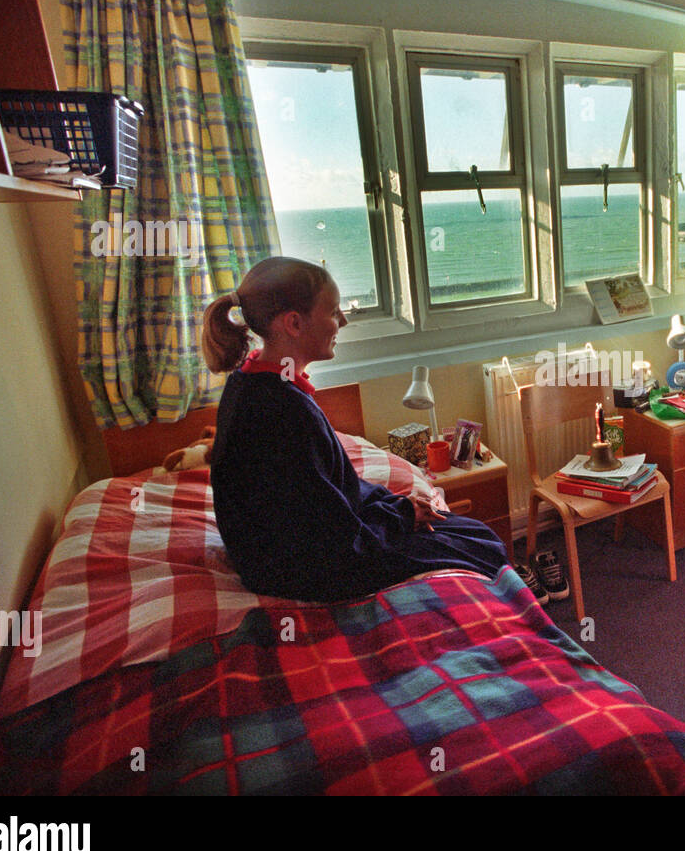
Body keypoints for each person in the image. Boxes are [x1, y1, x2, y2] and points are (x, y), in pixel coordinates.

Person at [201, 256, 509, 602]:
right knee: (481, 545)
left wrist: (397, 507)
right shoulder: (280, 411)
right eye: (333, 312)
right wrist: (401, 516)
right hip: (300, 570)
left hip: (290, 550)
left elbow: (327, 493)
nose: (343, 321)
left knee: (469, 532)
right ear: (294, 323)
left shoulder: (254, 380)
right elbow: (333, 540)